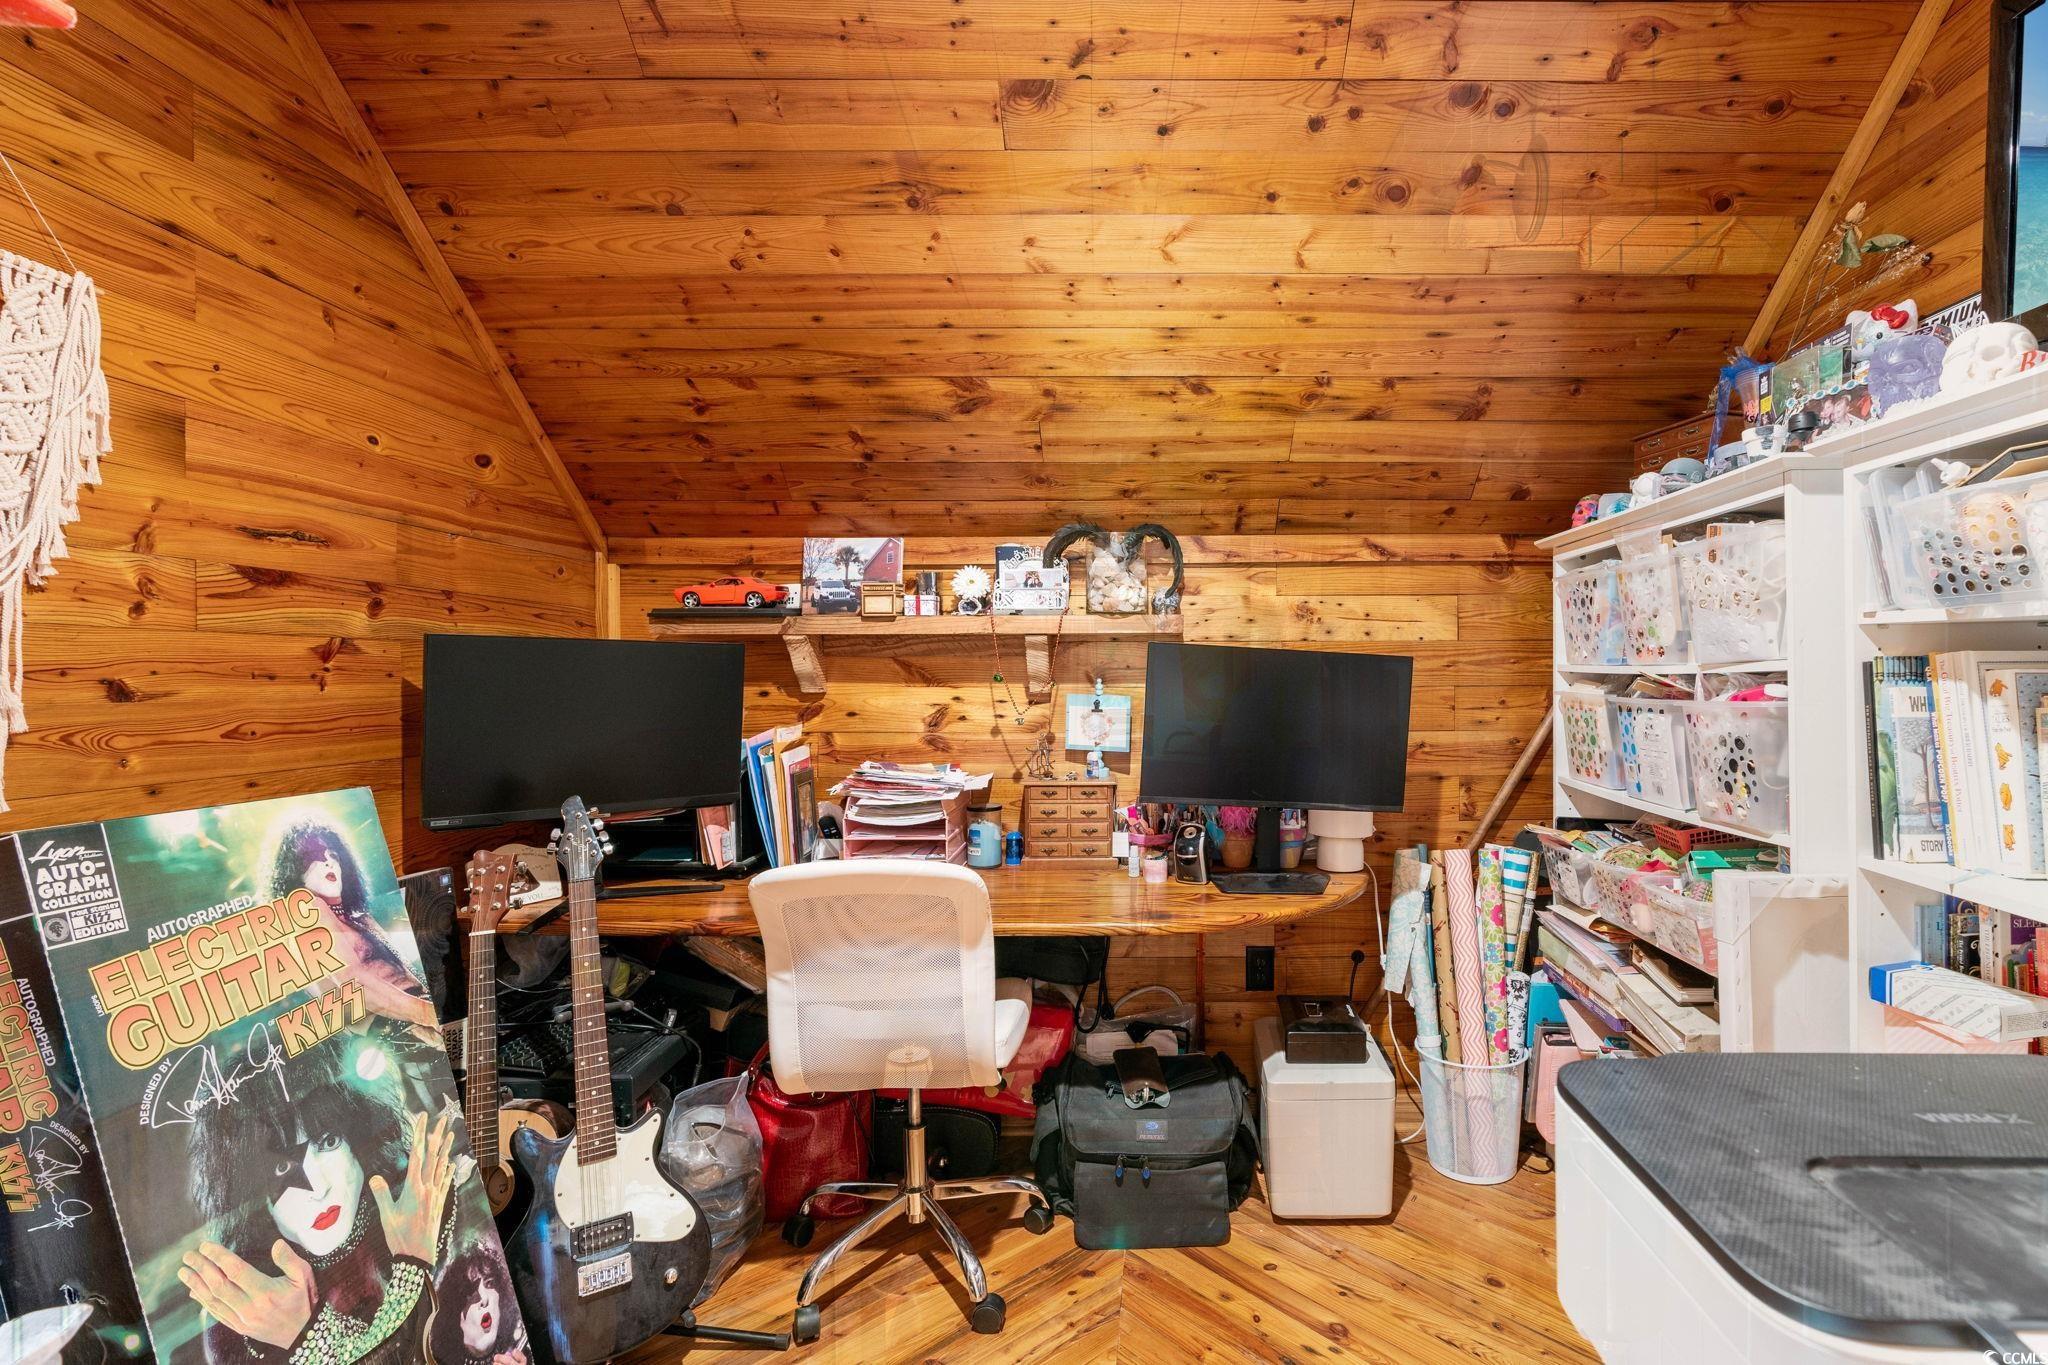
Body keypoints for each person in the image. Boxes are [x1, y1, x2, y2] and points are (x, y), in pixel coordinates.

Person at [180, 1047, 464, 1364]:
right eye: (281, 1168)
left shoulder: (425, 1205)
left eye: (328, 1141)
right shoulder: (241, 1314)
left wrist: (307, 1341)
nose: (319, 1189)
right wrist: (412, 1266)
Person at [268, 822, 439, 1035]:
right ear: (294, 872)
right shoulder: (310, 911)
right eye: (314, 857)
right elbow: (355, 985)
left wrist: (429, 1011)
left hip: (417, 1016)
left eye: (334, 855)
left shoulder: (361, 918)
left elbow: (407, 972)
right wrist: (425, 1014)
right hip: (391, 1029)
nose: (329, 862)